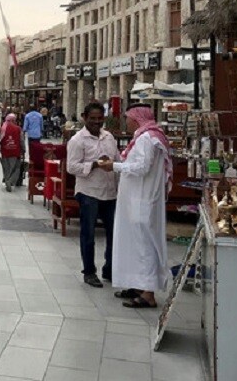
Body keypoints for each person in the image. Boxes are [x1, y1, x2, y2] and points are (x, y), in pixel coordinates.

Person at [96, 103, 171, 308]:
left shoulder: (148, 138)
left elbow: (142, 166)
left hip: (142, 200)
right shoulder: (144, 136)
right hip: (136, 199)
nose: (125, 122)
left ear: (137, 118)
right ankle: (138, 285)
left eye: (128, 118)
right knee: (134, 243)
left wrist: (114, 166)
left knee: (144, 245)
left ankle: (148, 293)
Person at [66, 102, 120, 288]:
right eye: (93, 119)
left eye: (100, 119)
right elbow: (72, 167)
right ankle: (89, 271)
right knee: (88, 234)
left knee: (114, 234)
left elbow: (118, 160)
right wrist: (95, 165)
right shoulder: (77, 140)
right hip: (89, 192)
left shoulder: (109, 137)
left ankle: (110, 268)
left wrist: (112, 164)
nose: (97, 122)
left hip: (109, 192)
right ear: (84, 117)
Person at [0, 113, 25, 192]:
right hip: (15, 151)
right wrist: (24, 149)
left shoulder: (3, 128)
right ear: (13, 120)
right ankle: (10, 181)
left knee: (6, 168)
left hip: (5, 151)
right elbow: (21, 140)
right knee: (17, 168)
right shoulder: (18, 129)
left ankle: (7, 180)